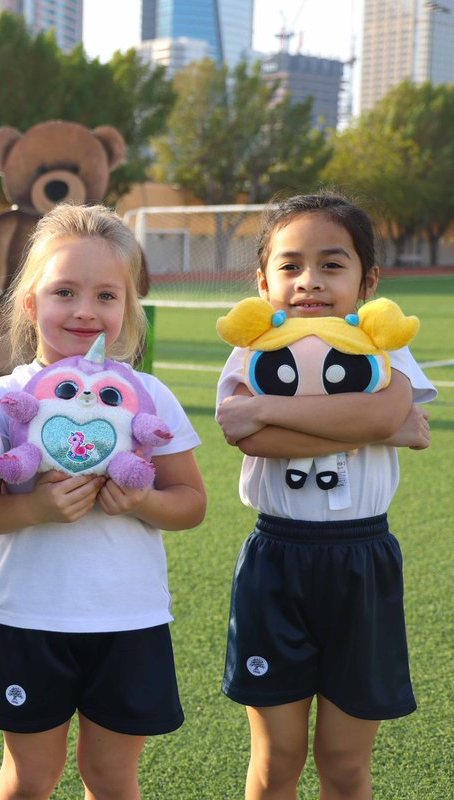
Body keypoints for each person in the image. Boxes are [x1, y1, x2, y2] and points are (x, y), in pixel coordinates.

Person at [0, 204, 207, 800]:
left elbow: (192, 502)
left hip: (129, 619)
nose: (85, 311)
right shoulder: (3, 398)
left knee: (112, 778)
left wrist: (142, 501)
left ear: (128, 309)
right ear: (29, 303)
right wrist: (32, 509)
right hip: (31, 618)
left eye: (106, 295)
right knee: (29, 777)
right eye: (64, 291)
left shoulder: (147, 395)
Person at [215, 193, 435, 800]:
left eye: (332, 265)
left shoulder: (379, 339)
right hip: (277, 559)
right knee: (276, 760)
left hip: (361, 559)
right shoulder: (255, 346)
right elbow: (245, 435)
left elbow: (390, 405)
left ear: (368, 280)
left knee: (343, 762)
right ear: (263, 280)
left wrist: (268, 409)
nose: (309, 281)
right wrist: (374, 425)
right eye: (290, 266)